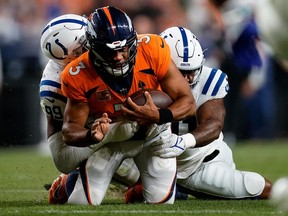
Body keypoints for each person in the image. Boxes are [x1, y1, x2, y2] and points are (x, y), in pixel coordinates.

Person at [59, 6, 196, 206]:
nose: (119, 57)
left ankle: (137, 189)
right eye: (109, 51)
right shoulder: (78, 73)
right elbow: (70, 129)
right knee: (81, 203)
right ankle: (68, 182)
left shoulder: (152, 49)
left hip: (153, 134)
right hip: (112, 139)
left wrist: (159, 116)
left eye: (123, 48)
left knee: (162, 203)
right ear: (93, 47)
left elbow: (188, 103)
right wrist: (91, 135)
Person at [125, 26, 272, 202]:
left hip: (198, 164)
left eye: (192, 71)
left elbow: (213, 124)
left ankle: (178, 188)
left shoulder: (209, 80)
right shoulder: (142, 76)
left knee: (255, 185)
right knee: (104, 158)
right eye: (181, 72)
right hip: (149, 160)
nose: (188, 79)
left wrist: (183, 142)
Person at [39, 14, 140, 204]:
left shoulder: (111, 55)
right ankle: (74, 179)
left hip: (112, 124)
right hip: (89, 134)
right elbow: (62, 155)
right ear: (71, 56)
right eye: (87, 42)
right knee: (127, 143)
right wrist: (101, 133)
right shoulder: (55, 85)